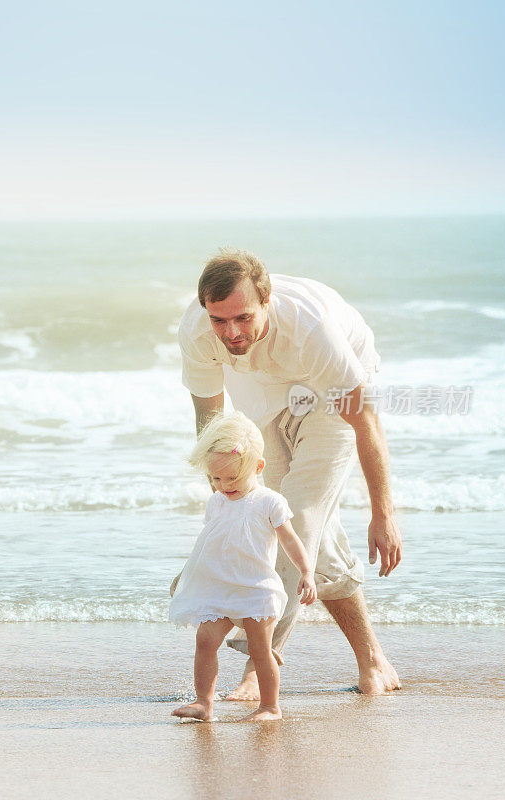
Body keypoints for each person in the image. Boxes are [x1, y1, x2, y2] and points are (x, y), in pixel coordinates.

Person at [178, 249, 402, 697]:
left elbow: (365, 420)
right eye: (219, 320)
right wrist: (222, 483)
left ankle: (258, 664)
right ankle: (373, 659)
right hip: (266, 394)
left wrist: (383, 513)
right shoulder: (199, 330)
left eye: (242, 317)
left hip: (331, 399)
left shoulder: (309, 329)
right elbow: (209, 413)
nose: (231, 332)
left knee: (296, 517)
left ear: (267, 301)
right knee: (291, 530)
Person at [170, 411, 317, 722]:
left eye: (232, 477)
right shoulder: (217, 503)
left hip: (256, 589)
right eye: (216, 478)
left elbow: (290, 540)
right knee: (205, 641)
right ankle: (203, 703)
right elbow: (207, 544)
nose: (224, 485)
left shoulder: (269, 502)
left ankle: (270, 707)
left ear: (258, 467)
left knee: (259, 649)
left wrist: (306, 572)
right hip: (221, 588)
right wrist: (186, 575)